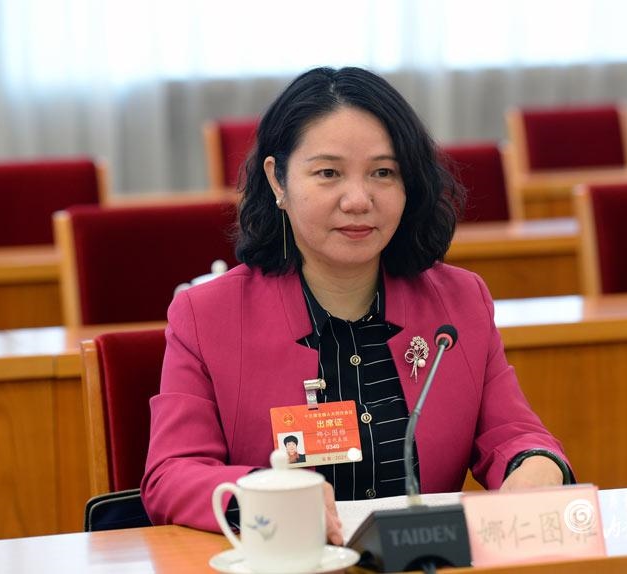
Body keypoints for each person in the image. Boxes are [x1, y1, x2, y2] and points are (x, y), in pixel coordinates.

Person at [142, 66, 573, 546]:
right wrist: (267, 493)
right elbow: (171, 475)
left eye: (383, 173)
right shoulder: (207, 315)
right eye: (328, 173)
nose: (358, 200)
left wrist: (536, 465)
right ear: (278, 181)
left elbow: (514, 434)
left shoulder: (459, 301)